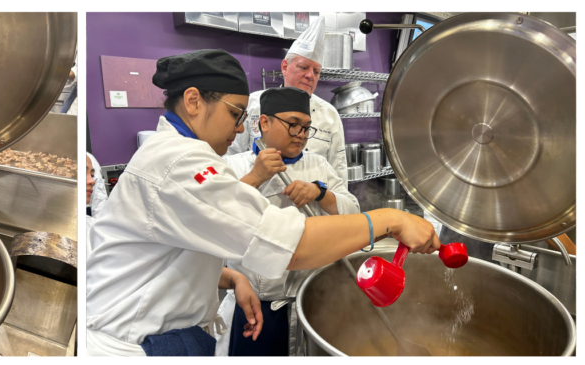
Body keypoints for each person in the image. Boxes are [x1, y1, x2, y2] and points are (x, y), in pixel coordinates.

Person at [84, 49, 440, 356]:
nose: (240, 129)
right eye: (236, 114)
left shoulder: (177, 156)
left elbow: (172, 249)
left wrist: (229, 277)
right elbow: (291, 244)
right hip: (134, 344)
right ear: (193, 101)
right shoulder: (181, 163)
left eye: (306, 128)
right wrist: (391, 220)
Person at [215, 87, 360, 356]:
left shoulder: (319, 166)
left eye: (307, 128)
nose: (302, 135)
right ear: (265, 123)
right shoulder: (233, 166)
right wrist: (256, 177)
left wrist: (320, 192)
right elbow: (216, 218)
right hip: (257, 304)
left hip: (313, 297)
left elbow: (352, 214)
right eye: (293, 125)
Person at [226, 16, 347, 182]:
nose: (310, 76)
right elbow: (233, 155)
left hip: (313, 202)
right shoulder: (254, 103)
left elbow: (338, 168)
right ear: (284, 67)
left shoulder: (329, 114)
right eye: (303, 67)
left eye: (316, 71)